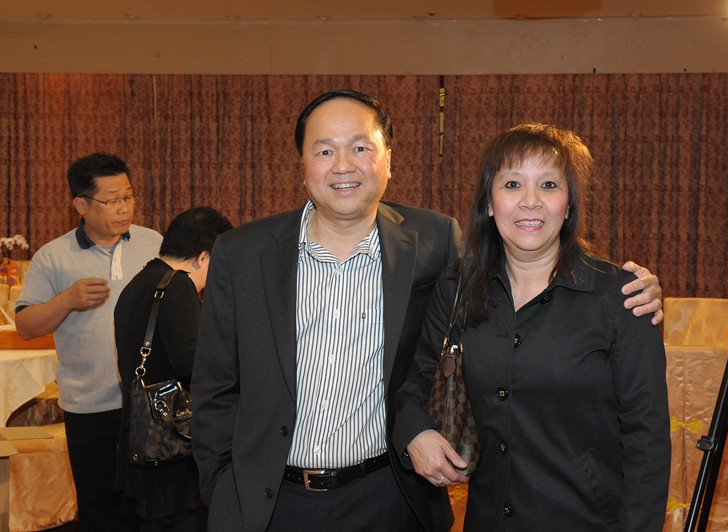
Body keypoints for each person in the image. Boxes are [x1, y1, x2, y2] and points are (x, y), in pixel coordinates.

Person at [191, 89, 664, 532]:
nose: (343, 165)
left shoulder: (434, 242)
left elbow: (645, 435)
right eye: (325, 150)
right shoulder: (242, 253)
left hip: (389, 497)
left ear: (388, 160)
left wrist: (640, 288)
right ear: (302, 163)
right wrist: (223, 492)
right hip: (272, 502)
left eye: (360, 147)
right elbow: (214, 388)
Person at [394, 122, 671, 531]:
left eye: (548, 185)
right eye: (512, 184)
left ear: (569, 204)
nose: (530, 202)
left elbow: (647, 440)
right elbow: (415, 384)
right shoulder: (456, 288)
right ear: (489, 203)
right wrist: (415, 432)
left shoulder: (622, 297)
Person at [15, 152, 163, 531]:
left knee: (151, 508)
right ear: (81, 205)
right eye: (111, 200)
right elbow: (26, 325)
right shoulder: (53, 257)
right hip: (89, 406)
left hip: (147, 403)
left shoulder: (153, 243)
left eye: (128, 197)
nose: (124, 208)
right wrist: (66, 300)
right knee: (99, 509)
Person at [113, 206, 233, 531]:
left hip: (146, 443)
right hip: (173, 450)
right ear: (204, 257)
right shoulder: (177, 286)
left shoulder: (139, 283)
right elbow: (195, 365)